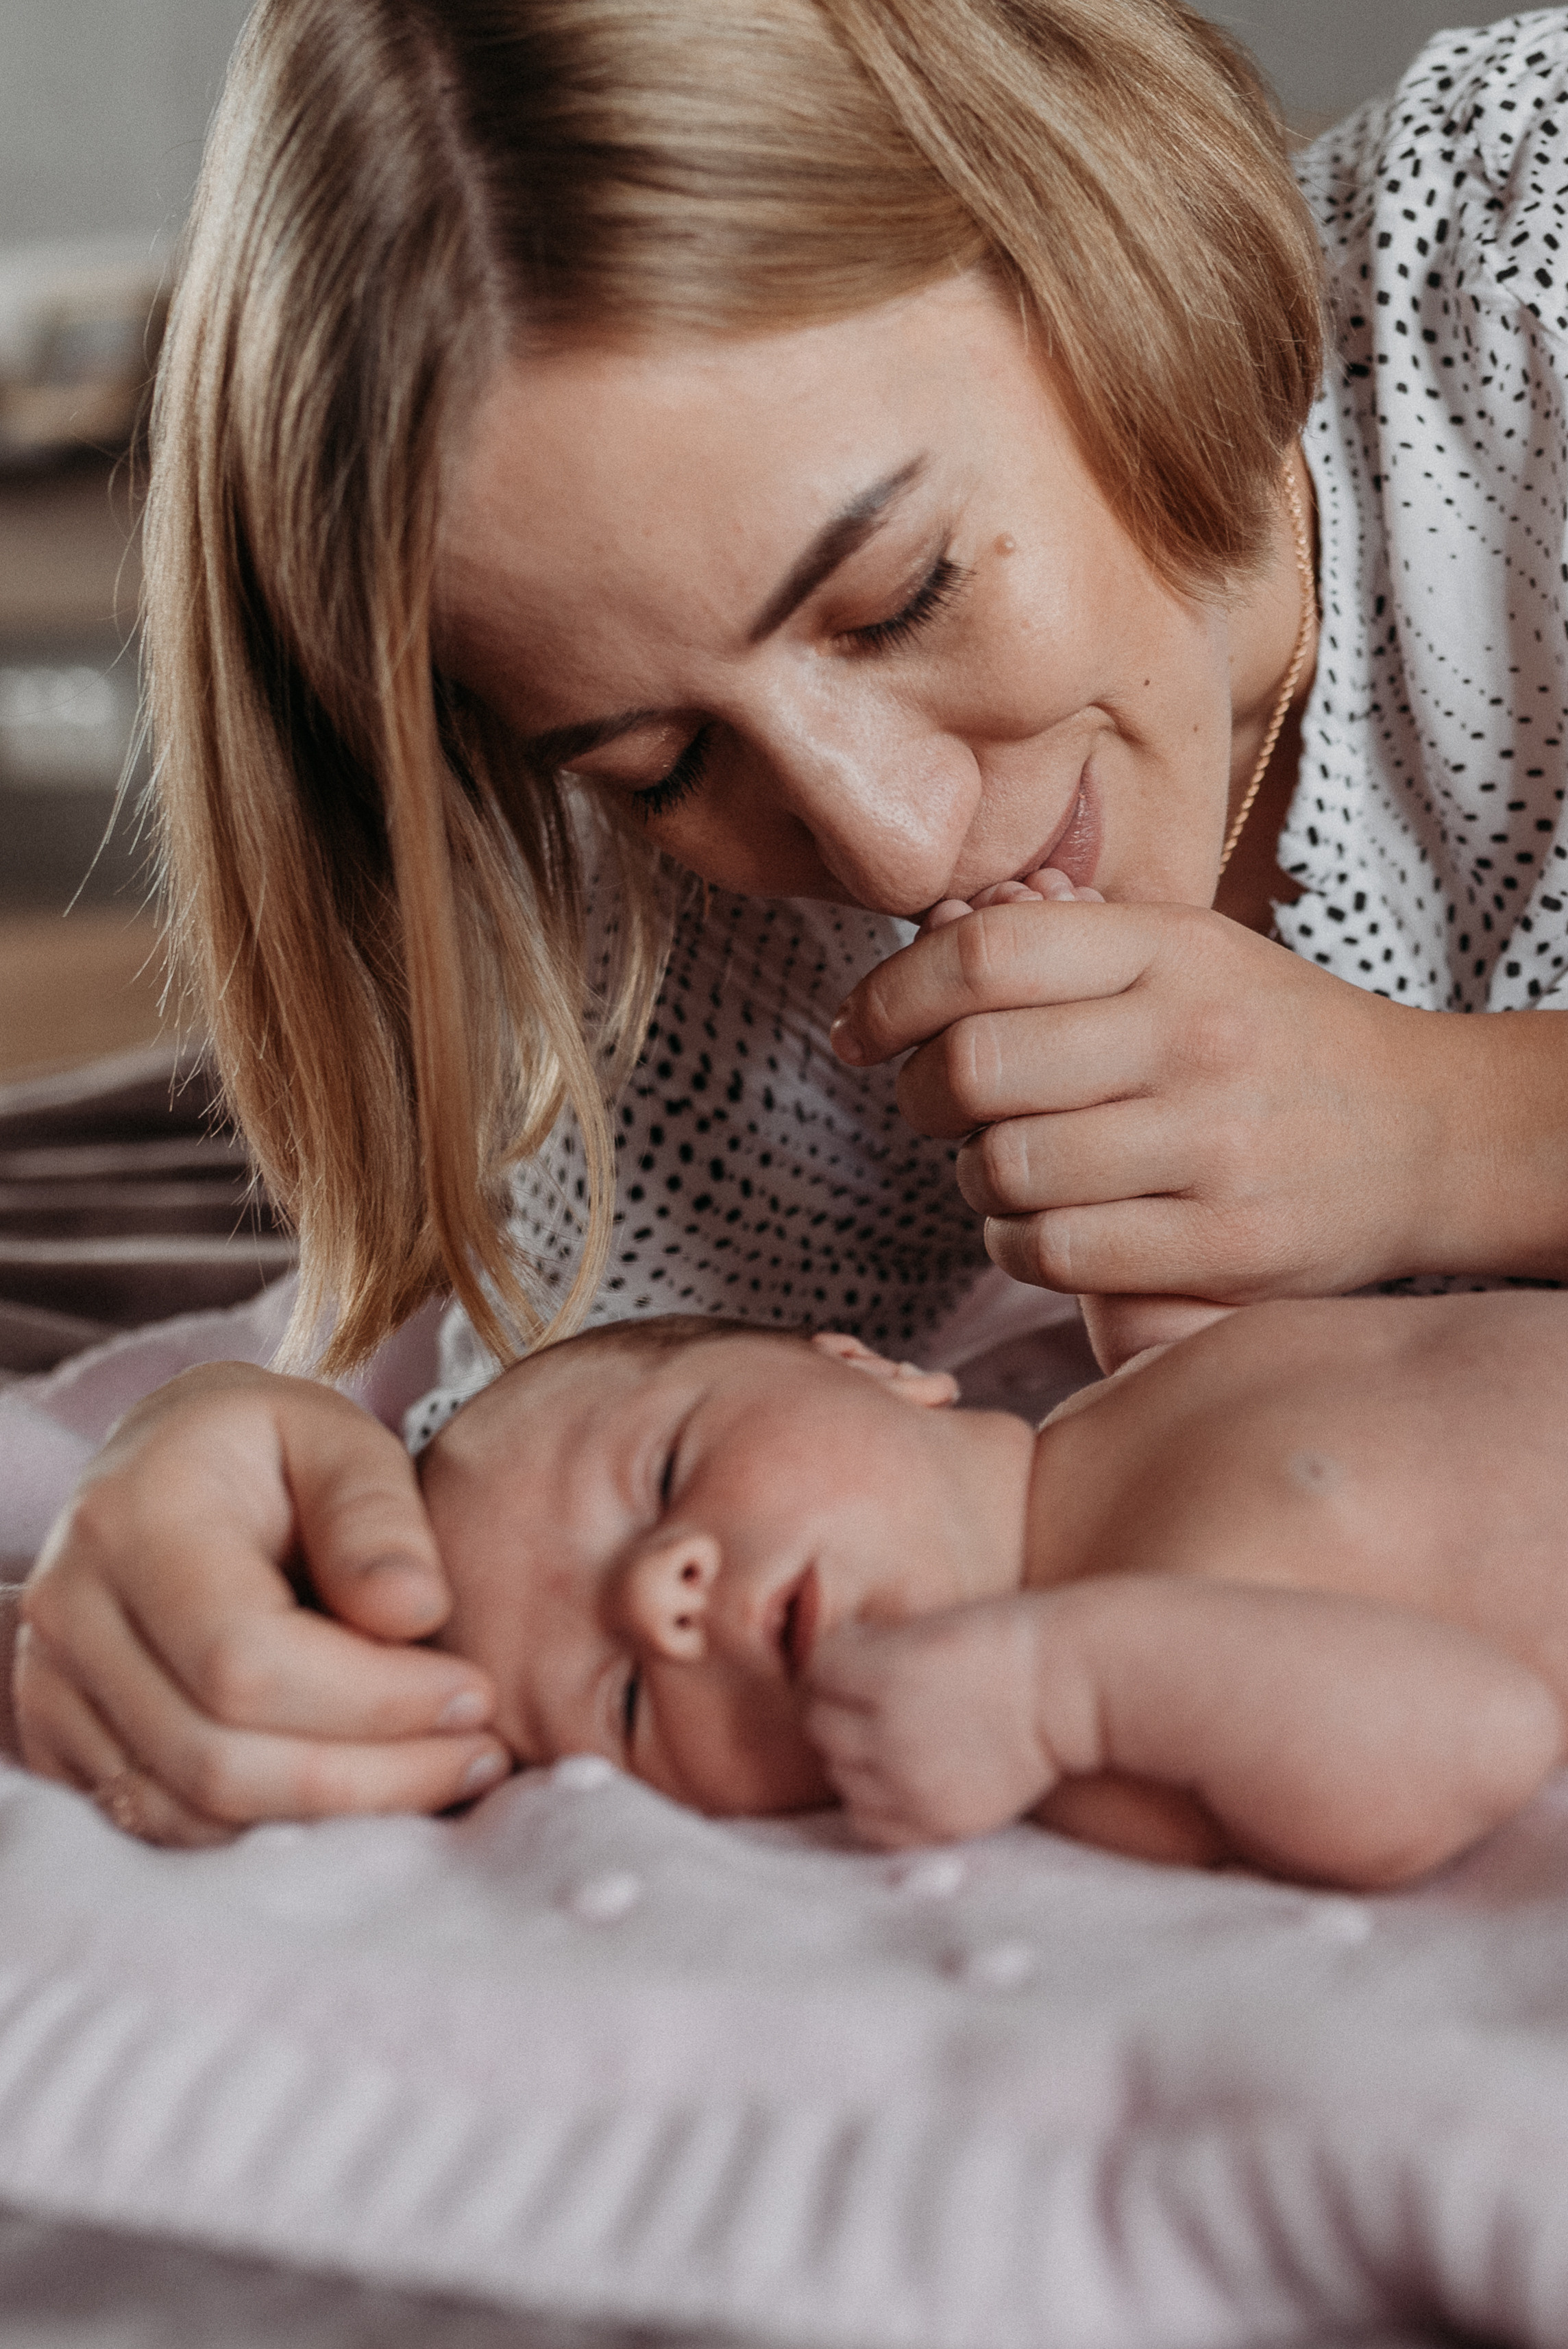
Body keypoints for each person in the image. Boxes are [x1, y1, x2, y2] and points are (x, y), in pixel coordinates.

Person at [16, 0, 1568, 1837]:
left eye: (901, 594)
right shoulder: (693, 942)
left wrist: (1451, 1130)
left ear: (1087, 224)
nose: (892, 845)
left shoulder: (1526, 268)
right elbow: (583, 1449)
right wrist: (243, 1476)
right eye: (658, 759)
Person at [413, 1305, 1565, 1887]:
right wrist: (1049, 1692)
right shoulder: (1104, 1755)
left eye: (665, 1474)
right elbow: (1481, 1737)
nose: (658, 1597)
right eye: (622, 1701)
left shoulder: (1130, 1373)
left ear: (869, 1367)